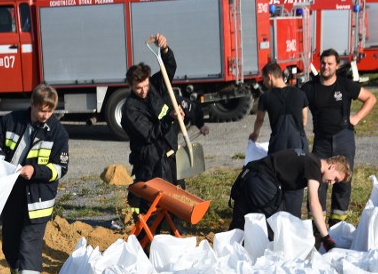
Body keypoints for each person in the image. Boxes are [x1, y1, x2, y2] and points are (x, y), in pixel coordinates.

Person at [0, 84, 69, 274]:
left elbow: (60, 169)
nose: (45, 115)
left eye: (49, 111)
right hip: (11, 196)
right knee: (10, 245)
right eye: (41, 110)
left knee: (29, 248)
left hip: (39, 200)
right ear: (32, 104)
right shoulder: (11, 121)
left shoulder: (58, 133)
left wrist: (36, 170)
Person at [121, 33, 208, 215]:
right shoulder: (130, 109)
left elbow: (169, 69)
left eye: (145, 85)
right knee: (155, 202)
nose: (144, 91)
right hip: (150, 159)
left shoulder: (154, 87)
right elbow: (150, 134)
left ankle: (175, 232)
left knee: (177, 196)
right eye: (139, 88)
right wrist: (171, 117)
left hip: (170, 151)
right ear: (130, 86)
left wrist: (165, 50)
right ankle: (151, 237)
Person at [301, 49, 376, 227]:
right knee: (318, 181)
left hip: (344, 138)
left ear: (337, 65)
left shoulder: (345, 85)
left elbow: (370, 99)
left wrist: (356, 118)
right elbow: (295, 101)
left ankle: (338, 224)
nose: (326, 67)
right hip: (321, 140)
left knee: (343, 180)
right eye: (323, 63)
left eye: (330, 64)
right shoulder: (310, 88)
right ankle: (317, 226)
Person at [228, 149, 351, 251]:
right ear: (332, 166)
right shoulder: (314, 166)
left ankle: (228, 254)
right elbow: (314, 203)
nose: (332, 183)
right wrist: (326, 237)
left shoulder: (309, 159)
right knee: (276, 228)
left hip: (249, 177)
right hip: (262, 180)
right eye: (335, 178)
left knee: (238, 225)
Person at [249, 61, 310, 217]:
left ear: (270, 77)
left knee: (276, 178)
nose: (263, 83)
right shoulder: (300, 94)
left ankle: (277, 214)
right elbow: (304, 120)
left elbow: (260, 119)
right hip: (298, 142)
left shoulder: (266, 98)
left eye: (263, 79)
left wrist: (255, 134)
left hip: (278, 144)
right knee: (297, 179)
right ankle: (294, 215)